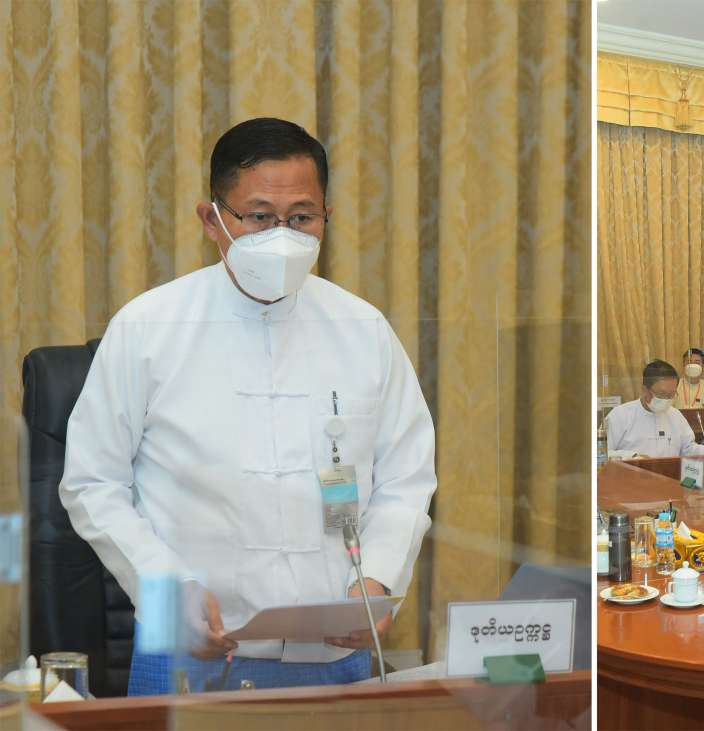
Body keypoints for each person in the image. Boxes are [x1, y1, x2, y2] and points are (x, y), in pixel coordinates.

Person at [59, 118, 437, 694]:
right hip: (190, 652)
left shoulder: (364, 329)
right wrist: (165, 591)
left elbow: (406, 478)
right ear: (212, 219)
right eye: (259, 216)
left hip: (335, 653)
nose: (282, 235)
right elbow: (93, 482)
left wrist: (379, 581)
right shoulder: (148, 327)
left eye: (302, 217)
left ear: (327, 218)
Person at [606, 360, 704, 460]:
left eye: (671, 395)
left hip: (669, 476)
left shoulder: (675, 416)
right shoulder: (620, 416)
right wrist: (633, 457)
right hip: (631, 477)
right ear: (644, 390)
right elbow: (601, 454)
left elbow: (688, 448)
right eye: (662, 394)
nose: (667, 399)